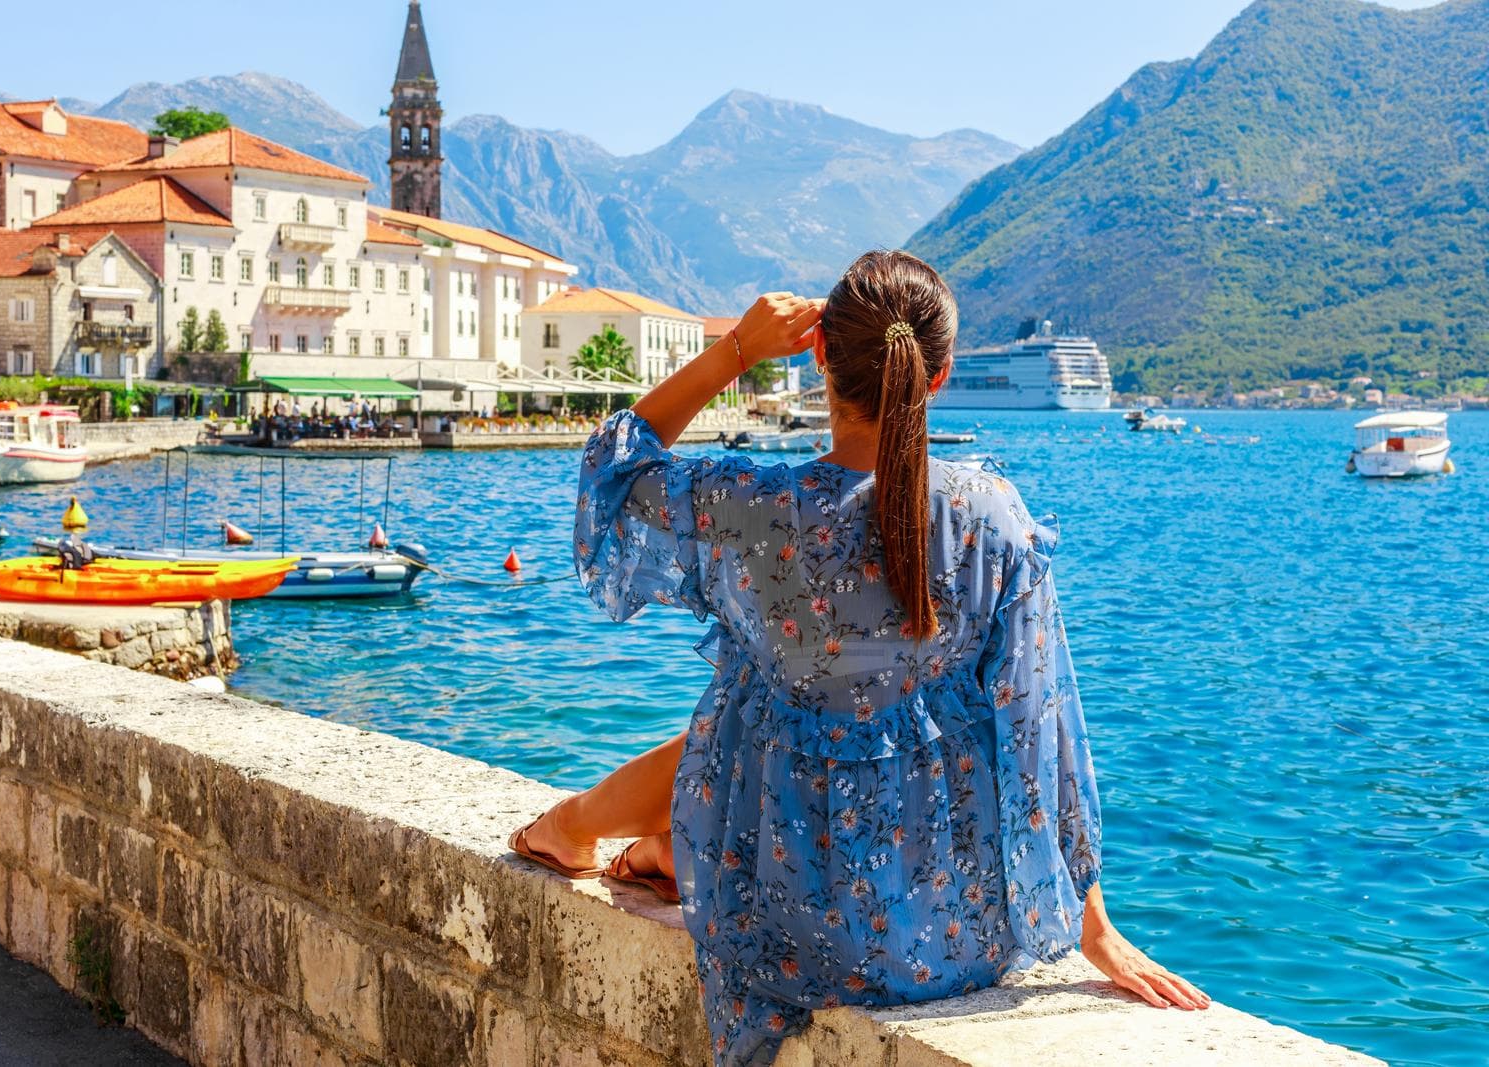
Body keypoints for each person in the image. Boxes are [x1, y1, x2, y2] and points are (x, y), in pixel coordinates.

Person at [510, 251, 1208, 1065]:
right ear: (937, 378)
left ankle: (629, 839)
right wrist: (1095, 930)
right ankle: (644, 845)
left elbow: (614, 470)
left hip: (776, 912)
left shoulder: (753, 506)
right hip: (951, 933)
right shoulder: (991, 517)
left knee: (768, 693)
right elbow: (1037, 732)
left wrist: (735, 349)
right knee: (808, 697)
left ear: (818, 359)